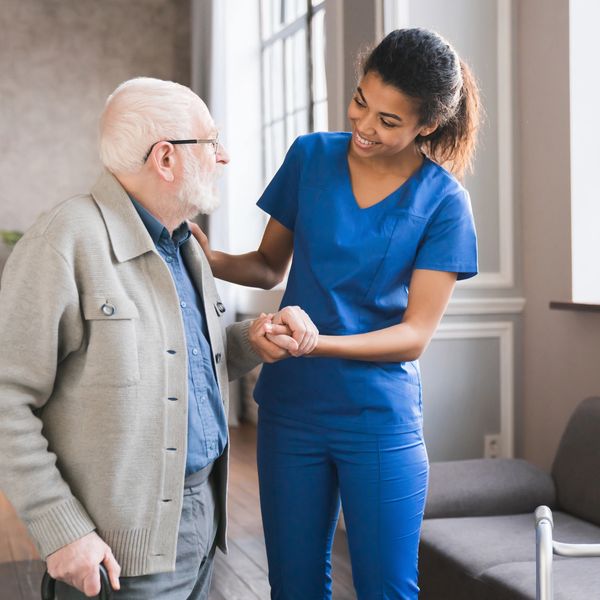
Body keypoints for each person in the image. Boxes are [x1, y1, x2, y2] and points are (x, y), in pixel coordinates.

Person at [0, 77, 318, 599]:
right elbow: (7, 396)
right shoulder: (64, 240)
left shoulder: (185, 245)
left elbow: (180, 360)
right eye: (210, 142)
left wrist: (252, 339)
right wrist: (64, 532)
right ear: (166, 159)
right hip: (113, 552)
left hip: (202, 519)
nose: (224, 156)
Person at [191, 28, 480, 599]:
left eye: (390, 121)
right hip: (291, 410)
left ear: (426, 125)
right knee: (294, 587)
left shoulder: (445, 202)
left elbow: (413, 336)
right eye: (360, 101)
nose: (365, 126)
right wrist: (208, 256)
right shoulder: (310, 155)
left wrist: (314, 343)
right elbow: (270, 266)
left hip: (378, 419)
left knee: (386, 590)